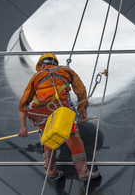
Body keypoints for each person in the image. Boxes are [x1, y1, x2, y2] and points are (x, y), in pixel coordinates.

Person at [18, 52, 100, 181]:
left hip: (41, 113)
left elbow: (23, 104)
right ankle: (83, 173)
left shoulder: (37, 76)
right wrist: (82, 111)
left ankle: (51, 171)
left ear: (42, 65)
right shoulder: (66, 70)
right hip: (59, 110)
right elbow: (81, 91)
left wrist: (23, 127)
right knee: (73, 138)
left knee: (49, 138)